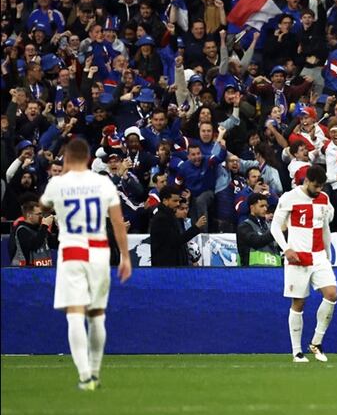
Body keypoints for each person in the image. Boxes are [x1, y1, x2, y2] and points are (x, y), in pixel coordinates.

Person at [38, 138, 132, 390]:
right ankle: (95, 370)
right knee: (97, 314)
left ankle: (85, 376)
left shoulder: (57, 183)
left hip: (72, 251)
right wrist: (125, 256)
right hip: (99, 252)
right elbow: (117, 222)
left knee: (75, 314)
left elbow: (43, 204)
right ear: (89, 158)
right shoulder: (102, 182)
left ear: (67, 158)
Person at [270, 166, 337, 363]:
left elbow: (325, 227)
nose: (318, 190)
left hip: (318, 256)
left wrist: (327, 252)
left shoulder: (324, 198)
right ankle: (297, 352)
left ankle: (316, 342)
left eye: (321, 187)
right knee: (298, 303)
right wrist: (286, 249)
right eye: (315, 186)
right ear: (306, 181)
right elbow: (275, 226)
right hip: (297, 257)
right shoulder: (289, 198)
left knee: (332, 294)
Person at [150, 186, 207, 266]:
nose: (177, 204)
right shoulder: (161, 219)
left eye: (178, 201)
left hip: (175, 267)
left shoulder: (171, 217)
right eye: (175, 201)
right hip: (166, 269)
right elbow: (175, 242)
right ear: (165, 201)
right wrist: (196, 227)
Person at [9, 199, 58, 266]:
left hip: (45, 272)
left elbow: (55, 244)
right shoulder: (21, 230)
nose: (42, 216)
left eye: (42, 214)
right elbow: (34, 245)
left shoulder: (41, 229)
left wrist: (59, 228)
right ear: (29, 215)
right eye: (39, 214)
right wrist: (45, 226)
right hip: (26, 273)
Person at [237, 193, 280, 266]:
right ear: (252, 207)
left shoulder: (268, 227)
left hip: (273, 272)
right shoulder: (244, 226)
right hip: (251, 273)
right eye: (261, 206)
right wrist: (275, 231)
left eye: (266, 206)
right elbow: (256, 241)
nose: (265, 209)